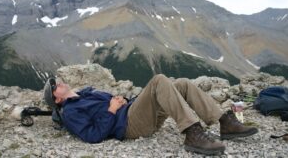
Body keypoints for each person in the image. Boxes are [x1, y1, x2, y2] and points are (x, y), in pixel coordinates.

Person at [43, 74, 258, 155]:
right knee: (158, 80)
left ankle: (224, 122)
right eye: (54, 86)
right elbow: (92, 135)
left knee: (182, 83)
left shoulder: (85, 93)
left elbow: (113, 102)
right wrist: (111, 109)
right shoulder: (71, 111)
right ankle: (193, 133)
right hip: (130, 125)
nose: (58, 82)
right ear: (57, 99)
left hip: (134, 112)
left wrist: (120, 101)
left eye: (55, 81)